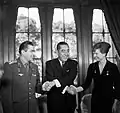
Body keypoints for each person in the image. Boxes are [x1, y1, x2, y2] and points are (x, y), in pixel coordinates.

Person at [70, 42, 120, 113]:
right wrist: (76, 90)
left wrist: (116, 101)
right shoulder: (92, 66)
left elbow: (118, 85)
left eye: (97, 53)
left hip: (109, 99)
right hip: (95, 99)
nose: (95, 55)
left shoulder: (112, 67)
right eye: (94, 53)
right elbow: (87, 83)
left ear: (104, 54)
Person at [1, 41, 42, 113]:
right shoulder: (10, 66)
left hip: (32, 109)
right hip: (17, 109)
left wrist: (44, 86)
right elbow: (6, 94)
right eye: (31, 51)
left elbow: (37, 86)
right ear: (23, 52)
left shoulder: (34, 67)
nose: (33, 54)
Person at [42, 41, 78, 113]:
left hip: (69, 102)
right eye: (63, 51)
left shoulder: (73, 63)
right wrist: (66, 88)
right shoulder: (50, 64)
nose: (66, 54)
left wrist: (55, 82)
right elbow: (50, 78)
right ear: (57, 52)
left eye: (68, 51)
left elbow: (70, 78)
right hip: (54, 102)